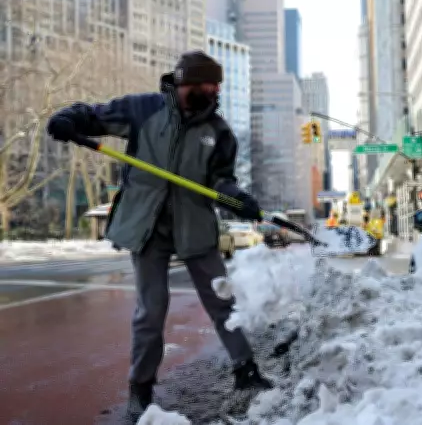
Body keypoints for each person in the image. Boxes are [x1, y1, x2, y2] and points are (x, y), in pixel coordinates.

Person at [46, 50, 273, 419]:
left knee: (222, 302)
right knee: (150, 311)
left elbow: (221, 181)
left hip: (194, 225)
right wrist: (68, 118)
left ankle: (246, 371)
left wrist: (237, 198)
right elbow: (94, 116)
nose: (214, 90)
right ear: (185, 84)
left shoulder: (219, 132)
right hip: (147, 225)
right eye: (206, 84)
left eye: (216, 85)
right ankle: (141, 388)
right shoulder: (142, 110)